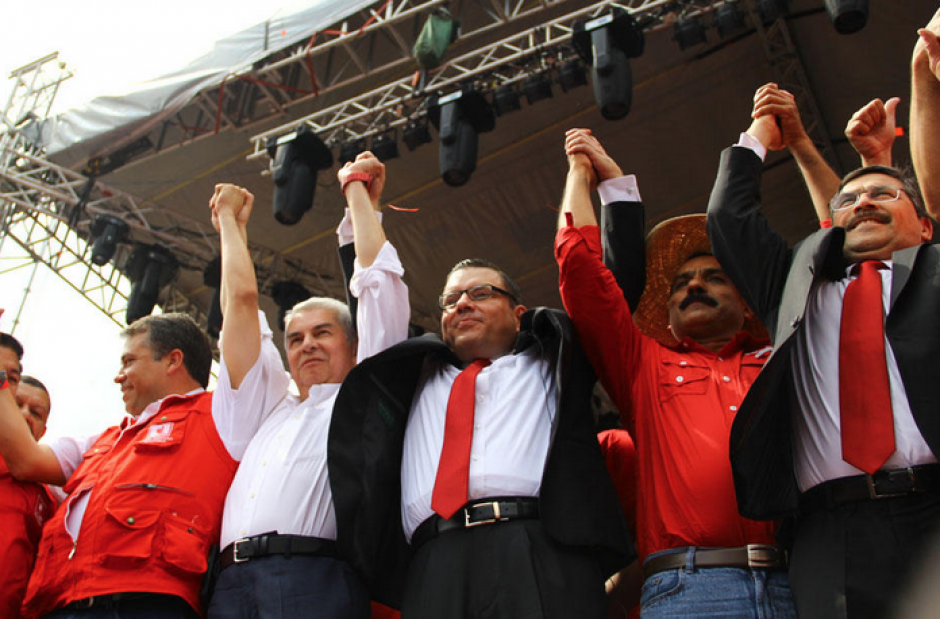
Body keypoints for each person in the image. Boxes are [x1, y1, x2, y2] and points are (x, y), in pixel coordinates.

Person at [706, 76, 940, 619]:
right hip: (832, 533)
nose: (864, 204)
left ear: (925, 226)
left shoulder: (933, 273)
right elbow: (729, 217)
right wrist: (762, 132)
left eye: (884, 194)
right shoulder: (794, 291)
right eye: (849, 199)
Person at [555, 128, 794, 619]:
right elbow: (580, 269)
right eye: (681, 283)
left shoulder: (782, 358)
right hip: (689, 588)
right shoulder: (644, 364)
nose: (694, 287)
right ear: (666, 317)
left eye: (713, 277)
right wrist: (586, 175)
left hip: (798, 580)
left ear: (748, 304)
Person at [329, 254, 634, 617]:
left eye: (481, 292)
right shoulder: (411, 375)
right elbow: (376, 299)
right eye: (451, 299)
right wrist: (361, 205)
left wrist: (602, 195)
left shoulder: (553, 359)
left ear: (518, 313)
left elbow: (608, 293)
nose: (463, 304)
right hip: (435, 560)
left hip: (538, 548)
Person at [206, 150, 409, 619]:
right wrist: (230, 227)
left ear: (355, 347)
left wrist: (357, 191)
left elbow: (377, 284)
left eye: (323, 333)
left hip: (311, 579)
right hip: (228, 585)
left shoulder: (365, 394)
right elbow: (239, 303)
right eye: (295, 338)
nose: (307, 346)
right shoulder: (265, 408)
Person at [0, 312, 246, 619]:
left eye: (129, 361)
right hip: (62, 603)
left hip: (143, 603)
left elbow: (242, 308)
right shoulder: (104, 440)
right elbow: (24, 461)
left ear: (172, 361)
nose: (119, 375)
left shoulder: (222, 416)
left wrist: (234, 261)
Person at [0, 367, 56, 619]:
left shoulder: (50, 496)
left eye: (36, 412)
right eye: (16, 404)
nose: (24, 415)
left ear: (43, 431)